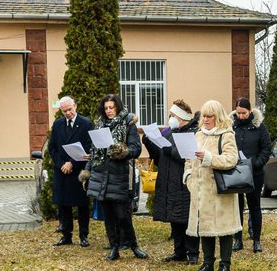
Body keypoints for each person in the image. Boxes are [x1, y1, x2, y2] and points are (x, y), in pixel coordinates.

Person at [86, 94, 146, 260]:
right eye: (106, 108)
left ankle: (133, 245)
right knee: (109, 216)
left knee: (123, 215)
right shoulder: (99, 125)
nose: (109, 111)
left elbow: (136, 149)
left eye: (111, 107)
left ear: (118, 107)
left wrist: (123, 151)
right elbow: (93, 152)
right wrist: (87, 171)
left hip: (120, 176)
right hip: (102, 174)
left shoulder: (128, 123)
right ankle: (114, 248)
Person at [185, 100, 241, 271]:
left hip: (220, 190)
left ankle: (225, 264)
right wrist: (187, 177)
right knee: (205, 227)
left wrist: (209, 157)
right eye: (204, 116)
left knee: (224, 228)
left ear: (218, 117)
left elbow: (231, 159)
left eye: (210, 116)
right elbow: (188, 159)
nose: (206, 119)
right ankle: (208, 262)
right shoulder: (198, 135)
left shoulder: (226, 135)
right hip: (200, 190)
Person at [145, 100, 198, 262]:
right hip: (169, 183)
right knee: (175, 220)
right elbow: (160, 157)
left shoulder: (193, 133)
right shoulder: (169, 133)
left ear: (182, 117)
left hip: (184, 184)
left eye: (173, 115)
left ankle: (193, 253)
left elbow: (190, 157)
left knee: (188, 221)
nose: (170, 118)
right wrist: (149, 142)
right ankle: (179, 252)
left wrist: (170, 150)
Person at [49, 95, 94, 247]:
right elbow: (52, 147)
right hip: (62, 170)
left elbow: (89, 147)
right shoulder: (57, 125)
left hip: (78, 170)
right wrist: (62, 164)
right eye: (64, 111)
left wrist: (72, 163)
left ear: (75, 106)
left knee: (82, 205)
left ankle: (83, 235)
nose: (68, 113)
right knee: (63, 204)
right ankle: (66, 235)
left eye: (69, 109)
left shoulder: (86, 123)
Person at [232, 97, 272, 253]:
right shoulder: (231, 126)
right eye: (238, 113)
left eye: (244, 113)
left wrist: (255, 163)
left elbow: (266, 149)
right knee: (237, 207)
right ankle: (237, 239)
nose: (241, 116)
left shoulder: (259, 127)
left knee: (254, 206)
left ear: (250, 111)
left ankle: (256, 240)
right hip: (235, 172)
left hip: (254, 173)